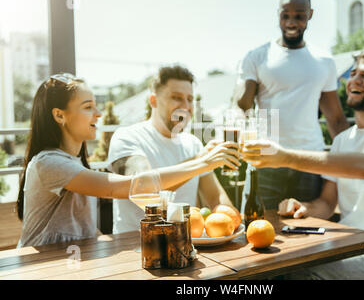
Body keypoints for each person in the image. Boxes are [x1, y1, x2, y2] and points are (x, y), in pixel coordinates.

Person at [242, 49, 364, 280]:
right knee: (273, 269)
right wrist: (305, 208)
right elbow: (327, 203)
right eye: (353, 73)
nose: (355, 80)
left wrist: (285, 157)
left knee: (304, 276)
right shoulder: (341, 141)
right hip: (347, 247)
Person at [16, 73, 239, 248]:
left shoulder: (74, 163)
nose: (99, 113)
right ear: (59, 115)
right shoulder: (48, 163)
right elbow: (133, 186)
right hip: (44, 269)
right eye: (88, 107)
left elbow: (82, 231)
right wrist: (203, 162)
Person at [236, 0, 349, 210]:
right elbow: (242, 105)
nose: (291, 22)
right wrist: (245, 76)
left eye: (299, 16)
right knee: (257, 228)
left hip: (309, 160)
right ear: (278, 13)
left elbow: (335, 119)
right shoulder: (257, 56)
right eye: (285, 15)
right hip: (266, 160)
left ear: (310, 15)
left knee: (308, 231)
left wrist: (352, 160)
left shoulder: (324, 61)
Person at [108, 65, 239, 234]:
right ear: (153, 100)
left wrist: (234, 223)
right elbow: (142, 189)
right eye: (177, 98)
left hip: (184, 245)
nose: (186, 106)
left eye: (190, 99)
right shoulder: (127, 137)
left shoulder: (193, 144)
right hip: (135, 246)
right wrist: (201, 162)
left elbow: (215, 199)